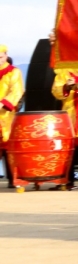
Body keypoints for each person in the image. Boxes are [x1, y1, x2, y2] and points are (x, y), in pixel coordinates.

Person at [0, 47, 25, 186]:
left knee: (7, 146)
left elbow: (17, 91)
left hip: (6, 114)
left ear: (6, 56)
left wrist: (3, 103)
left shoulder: (14, 72)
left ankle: (12, 178)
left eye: (0, 57)